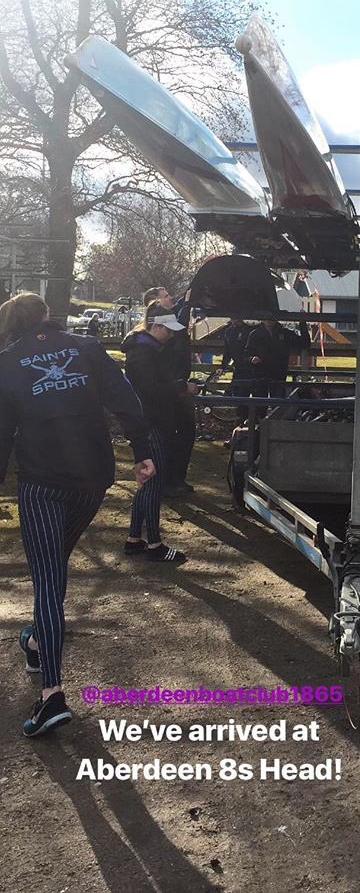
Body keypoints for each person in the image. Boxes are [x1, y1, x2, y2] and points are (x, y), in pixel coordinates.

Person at [0, 293, 154, 737]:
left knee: (48, 576)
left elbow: (1, 433)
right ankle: (34, 640)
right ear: (47, 315)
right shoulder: (86, 347)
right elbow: (124, 396)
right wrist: (142, 449)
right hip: (93, 477)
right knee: (54, 562)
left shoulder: (7, 362)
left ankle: (52, 695)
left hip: (42, 480)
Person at [122, 302, 189, 563]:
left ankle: (134, 538)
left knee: (148, 484)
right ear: (156, 326)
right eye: (168, 330)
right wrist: (180, 387)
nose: (172, 335)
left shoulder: (145, 350)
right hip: (150, 423)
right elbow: (150, 389)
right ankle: (154, 544)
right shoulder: (143, 353)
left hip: (149, 421)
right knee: (153, 482)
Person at [142, 285, 197, 495]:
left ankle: (175, 478)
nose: (170, 298)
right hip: (171, 388)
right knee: (172, 433)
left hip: (176, 384)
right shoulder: (152, 341)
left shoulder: (167, 326)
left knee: (183, 432)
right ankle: (167, 480)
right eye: (165, 296)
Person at [245, 314, 310, 401]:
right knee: (259, 404)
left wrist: (302, 323)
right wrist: (251, 358)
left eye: (271, 317)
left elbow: (305, 343)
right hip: (260, 373)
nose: (268, 319)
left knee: (278, 405)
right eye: (266, 317)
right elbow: (246, 354)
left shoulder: (285, 333)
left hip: (278, 374)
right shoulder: (255, 334)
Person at [215, 318, 253, 421]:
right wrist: (223, 366)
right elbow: (227, 351)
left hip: (251, 368)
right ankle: (241, 419)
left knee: (247, 395)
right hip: (238, 368)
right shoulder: (229, 332)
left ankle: (249, 420)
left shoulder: (249, 331)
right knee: (238, 395)